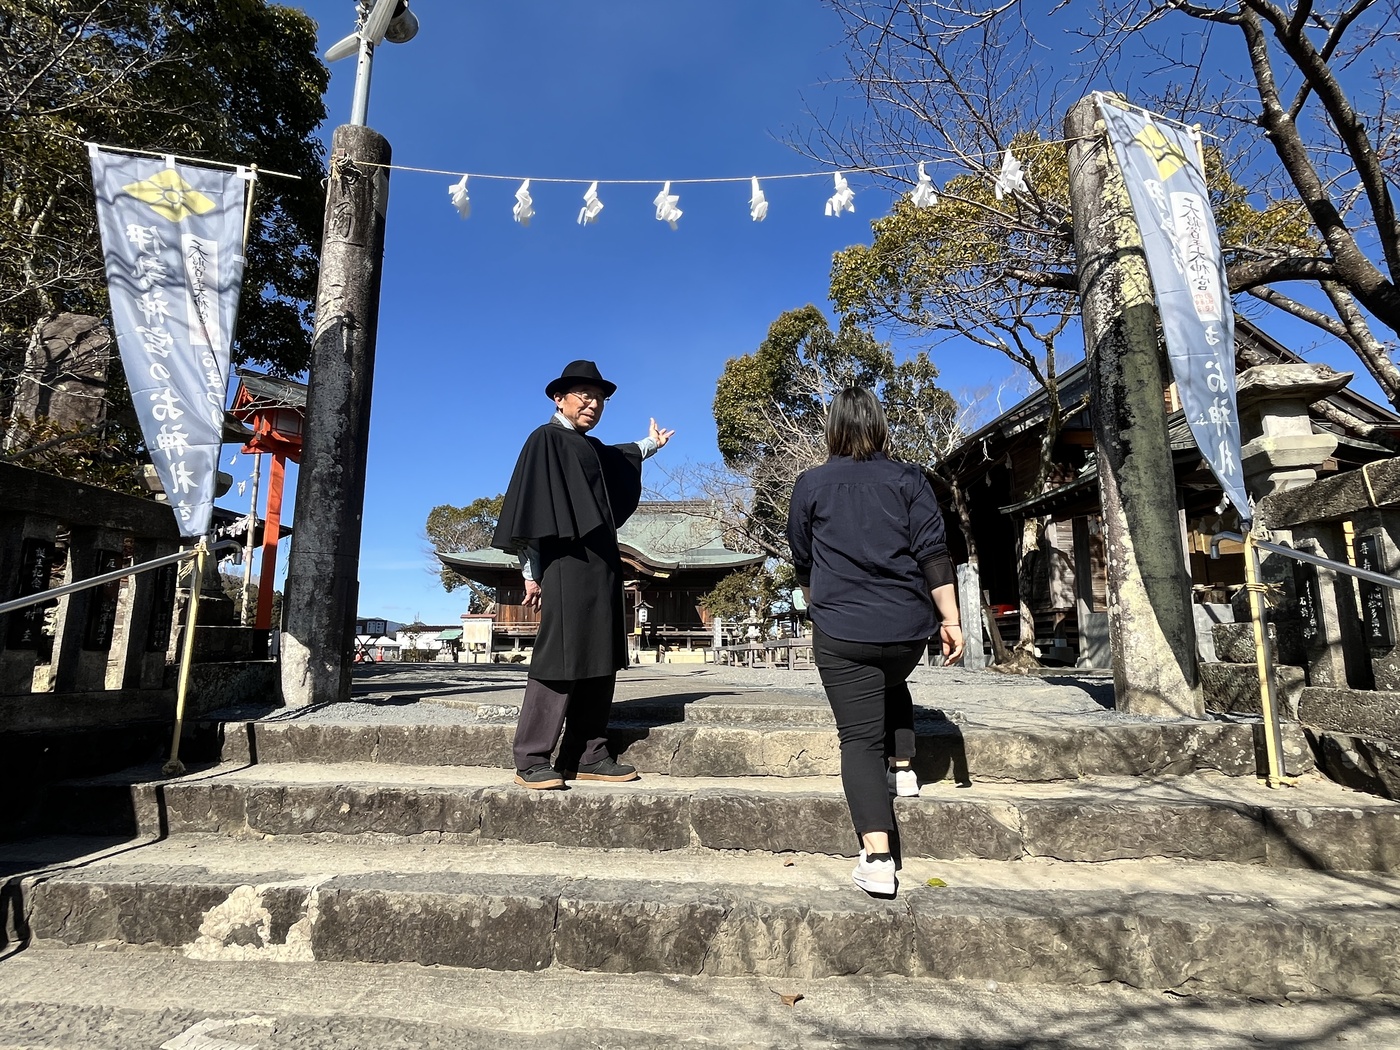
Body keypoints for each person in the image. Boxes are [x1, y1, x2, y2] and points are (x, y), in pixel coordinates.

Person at [786, 387, 963, 897]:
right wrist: (950, 619)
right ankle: (903, 768)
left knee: (859, 740)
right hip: (906, 627)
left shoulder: (811, 484)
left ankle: (879, 859)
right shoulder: (910, 479)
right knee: (888, 678)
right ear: (880, 426)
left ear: (833, 428)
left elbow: (802, 557)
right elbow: (933, 552)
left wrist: (816, 600)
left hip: (842, 627)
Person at [492, 359, 674, 789]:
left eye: (600, 398)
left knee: (601, 655)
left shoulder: (590, 448)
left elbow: (619, 457)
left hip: (603, 562)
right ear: (560, 398)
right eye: (585, 395)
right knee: (560, 654)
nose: (593, 404)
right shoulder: (545, 440)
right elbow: (532, 511)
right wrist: (531, 572)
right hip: (565, 564)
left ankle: (587, 754)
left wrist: (650, 444)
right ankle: (532, 757)